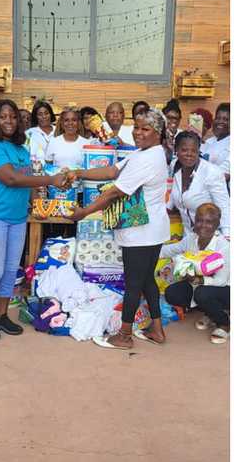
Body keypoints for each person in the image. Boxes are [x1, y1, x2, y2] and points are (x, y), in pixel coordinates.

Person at [68, 109, 171, 350]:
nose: (138, 133)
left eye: (145, 129)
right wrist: (78, 172)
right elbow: (112, 171)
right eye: (136, 127)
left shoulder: (149, 158)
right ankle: (157, 329)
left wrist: (83, 212)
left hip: (142, 232)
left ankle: (124, 335)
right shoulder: (142, 154)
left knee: (134, 284)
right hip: (149, 231)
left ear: (158, 133)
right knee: (146, 281)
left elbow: (115, 190)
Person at [0, 99, 68, 341]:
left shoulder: (21, 150)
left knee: (10, 269)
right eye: (3, 117)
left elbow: (28, 178)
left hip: (17, 218)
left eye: (13, 117)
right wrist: (51, 180)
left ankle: (1, 315)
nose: (9, 121)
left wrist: (40, 201)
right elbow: (12, 179)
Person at [160, 203, 229, 344]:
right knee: (172, 293)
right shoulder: (191, 239)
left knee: (202, 293)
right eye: (199, 220)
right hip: (199, 285)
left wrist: (198, 280)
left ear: (217, 224)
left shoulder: (223, 246)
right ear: (194, 221)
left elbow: (221, 280)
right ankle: (209, 313)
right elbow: (168, 250)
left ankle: (224, 323)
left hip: (225, 289)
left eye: (209, 222)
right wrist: (146, 251)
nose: (203, 225)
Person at [169, 131, 230, 239]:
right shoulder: (175, 167)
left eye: (194, 150)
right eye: (184, 150)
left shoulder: (212, 172)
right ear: (176, 150)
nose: (189, 154)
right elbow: (170, 200)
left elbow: (224, 206)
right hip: (188, 237)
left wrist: (228, 236)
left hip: (212, 238)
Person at [202, 102, 229, 176]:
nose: (220, 122)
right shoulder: (210, 141)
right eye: (218, 118)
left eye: (226, 119)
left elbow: (225, 173)